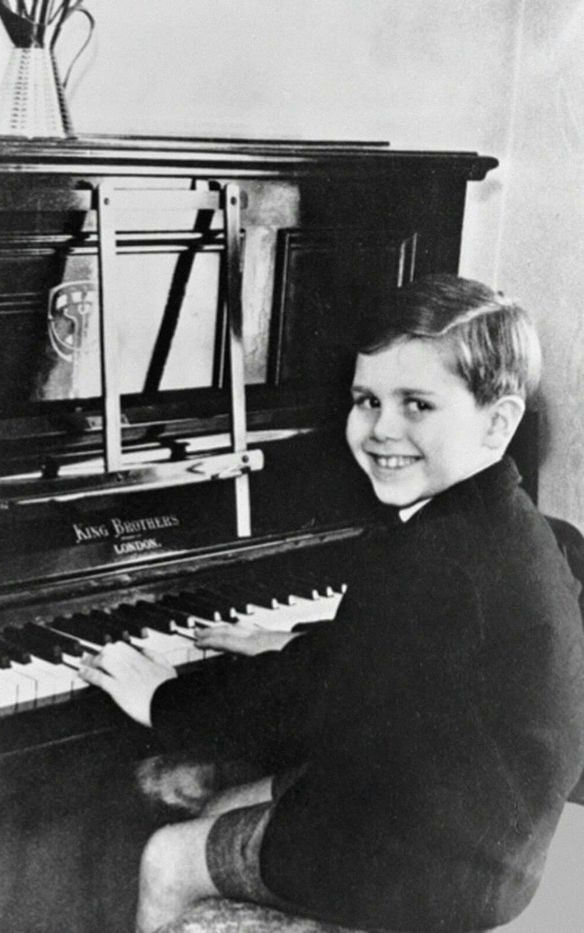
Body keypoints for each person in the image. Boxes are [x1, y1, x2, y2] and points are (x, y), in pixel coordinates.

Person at [79, 274, 584, 933]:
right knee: (212, 798)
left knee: (166, 856)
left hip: (427, 868)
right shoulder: (502, 525)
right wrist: (291, 643)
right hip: (481, 838)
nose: (381, 429)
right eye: (366, 399)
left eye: (417, 405)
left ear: (499, 422)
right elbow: (393, 656)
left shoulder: (432, 556)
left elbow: (306, 702)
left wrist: (162, 696)